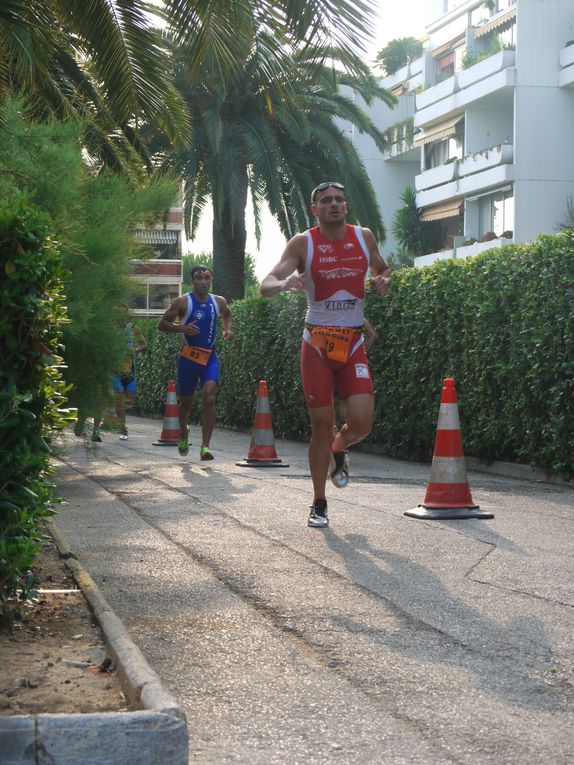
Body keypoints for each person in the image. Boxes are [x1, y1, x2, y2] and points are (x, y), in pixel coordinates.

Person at [260, 182, 391, 528]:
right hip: (316, 345)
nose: (334, 205)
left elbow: (383, 269)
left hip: (353, 343)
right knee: (320, 425)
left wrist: (383, 280)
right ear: (314, 209)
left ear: (346, 206)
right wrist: (284, 285)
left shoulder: (364, 237)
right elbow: (266, 282)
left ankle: (340, 445)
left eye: (339, 200)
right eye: (325, 201)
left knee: (362, 423)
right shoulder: (303, 243)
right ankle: (319, 501)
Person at [158, 266, 233, 460]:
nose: (203, 282)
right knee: (186, 403)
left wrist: (227, 330)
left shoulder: (218, 301)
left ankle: (205, 447)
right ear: (192, 281)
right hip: (188, 359)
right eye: (199, 278)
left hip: (209, 357)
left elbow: (227, 314)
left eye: (207, 278)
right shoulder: (183, 301)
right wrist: (181, 328)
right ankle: (184, 434)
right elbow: (162, 323)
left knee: (209, 397)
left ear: (211, 280)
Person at [112, 305, 147, 440]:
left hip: (130, 369)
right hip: (115, 369)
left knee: (130, 400)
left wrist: (135, 350)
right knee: (119, 397)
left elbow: (144, 344)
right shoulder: (111, 329)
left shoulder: (133, 328)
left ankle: (117, 411)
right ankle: (122, 427)